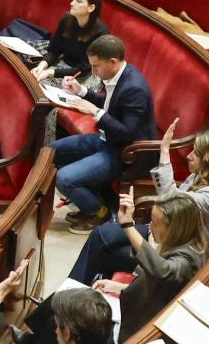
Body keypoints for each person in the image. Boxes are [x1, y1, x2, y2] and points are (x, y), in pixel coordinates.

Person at [71, 125, 209, 284]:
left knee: (106, 251)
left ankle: (71, 297)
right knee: (101, 234)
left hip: (175, 253)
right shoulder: (201, 176)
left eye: (196, 153)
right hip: (166, 233)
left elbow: (171, 200)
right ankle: (72, 294)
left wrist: (164, 152)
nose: (189, 156)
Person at [47, 34, 157, 227]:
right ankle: (92, 194)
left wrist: (95, 112)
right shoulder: (118, 75)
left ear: (112, 62)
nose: (93, 71)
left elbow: (127, 133)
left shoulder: (134, 88)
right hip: (106, 140)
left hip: (125, 153)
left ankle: (98, 211)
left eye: (96, 66)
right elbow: (110, 104)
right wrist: (81, 91)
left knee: (64, 178)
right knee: (50, 151)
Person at [94, 190, 206, 340]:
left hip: (141, 334)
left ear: (174, 229)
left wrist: (128, 225)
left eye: (154, 222)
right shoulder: (189, 244)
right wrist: (118, 287)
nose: (149, 227)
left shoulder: (187, 260)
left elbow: (162, 271)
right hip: (142, 313)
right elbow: (158, 289)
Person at [34, 0, 109, 83]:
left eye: (78, 1)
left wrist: (50, 73)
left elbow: (83, 69)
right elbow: (54, 50)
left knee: (42, 83)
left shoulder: (101, 34)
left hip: (83, 74)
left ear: (91, 8)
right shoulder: (66, 19)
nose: (72, 3)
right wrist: (42, 65)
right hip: (64, 62)